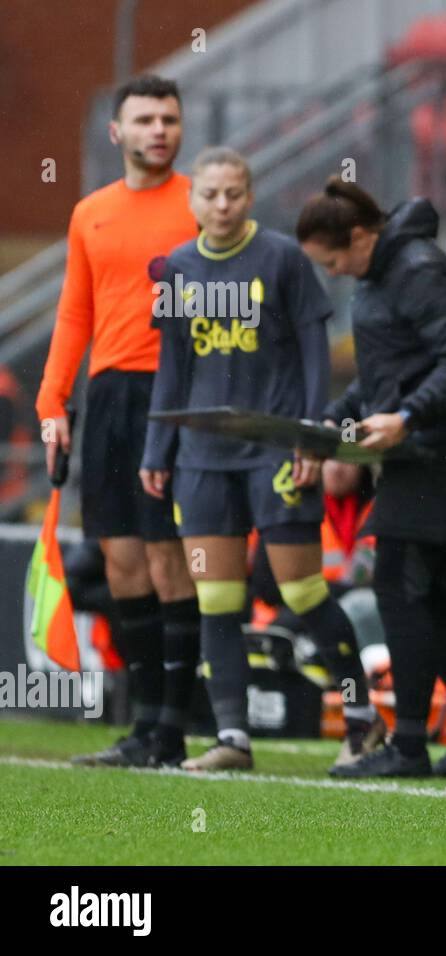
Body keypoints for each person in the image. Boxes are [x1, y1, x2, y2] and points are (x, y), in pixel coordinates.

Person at [140, 147, 382, 772]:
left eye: (234, 193)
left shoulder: (282, 259)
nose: (222, 205)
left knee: (303, 591)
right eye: (211, 194)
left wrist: (308, 438)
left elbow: (312, 355)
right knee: (217, 598)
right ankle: (233, 739)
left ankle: (362, 719)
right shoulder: (179, 269)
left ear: (249, 197)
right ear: (192, 200)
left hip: (273, 452)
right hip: (201, 458)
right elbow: (174, 364)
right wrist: (157, 448)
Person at [298, 178, 446, 779]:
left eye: (335, 259)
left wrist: (410, 417)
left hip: (438, 456)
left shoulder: (416, 269)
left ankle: (410, 746)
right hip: (418, 456)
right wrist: (330, 423)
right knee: (430, 598)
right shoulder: (382, 276)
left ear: (361, 236)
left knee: (398, 587)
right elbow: (383, 378)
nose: (334, 272)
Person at [36, 75, 201, 769]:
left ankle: (173, 728)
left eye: (169, 118)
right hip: (108, 397)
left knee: (170, 560)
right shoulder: (89, 213)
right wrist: (52, 404)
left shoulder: (204, 202)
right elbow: (76, 312)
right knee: (121, 560)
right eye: (145, 120)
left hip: (179, 395)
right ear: (117, 133)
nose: (159, 130)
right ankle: (142, 728)